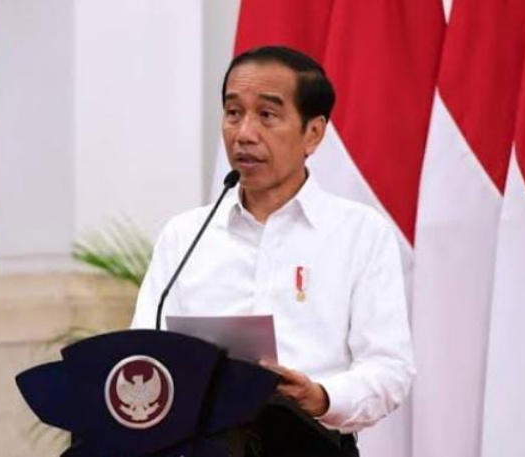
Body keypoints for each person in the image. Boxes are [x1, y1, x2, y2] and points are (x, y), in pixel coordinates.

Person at [131, 46, 414, 455]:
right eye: (233, 113)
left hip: (311, 445)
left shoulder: (359, 232)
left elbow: (389, 368)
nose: (244, 133)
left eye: (266, 115)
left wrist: (321, 396)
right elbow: (144, 351)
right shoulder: (185, 235)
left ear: (312, 134)